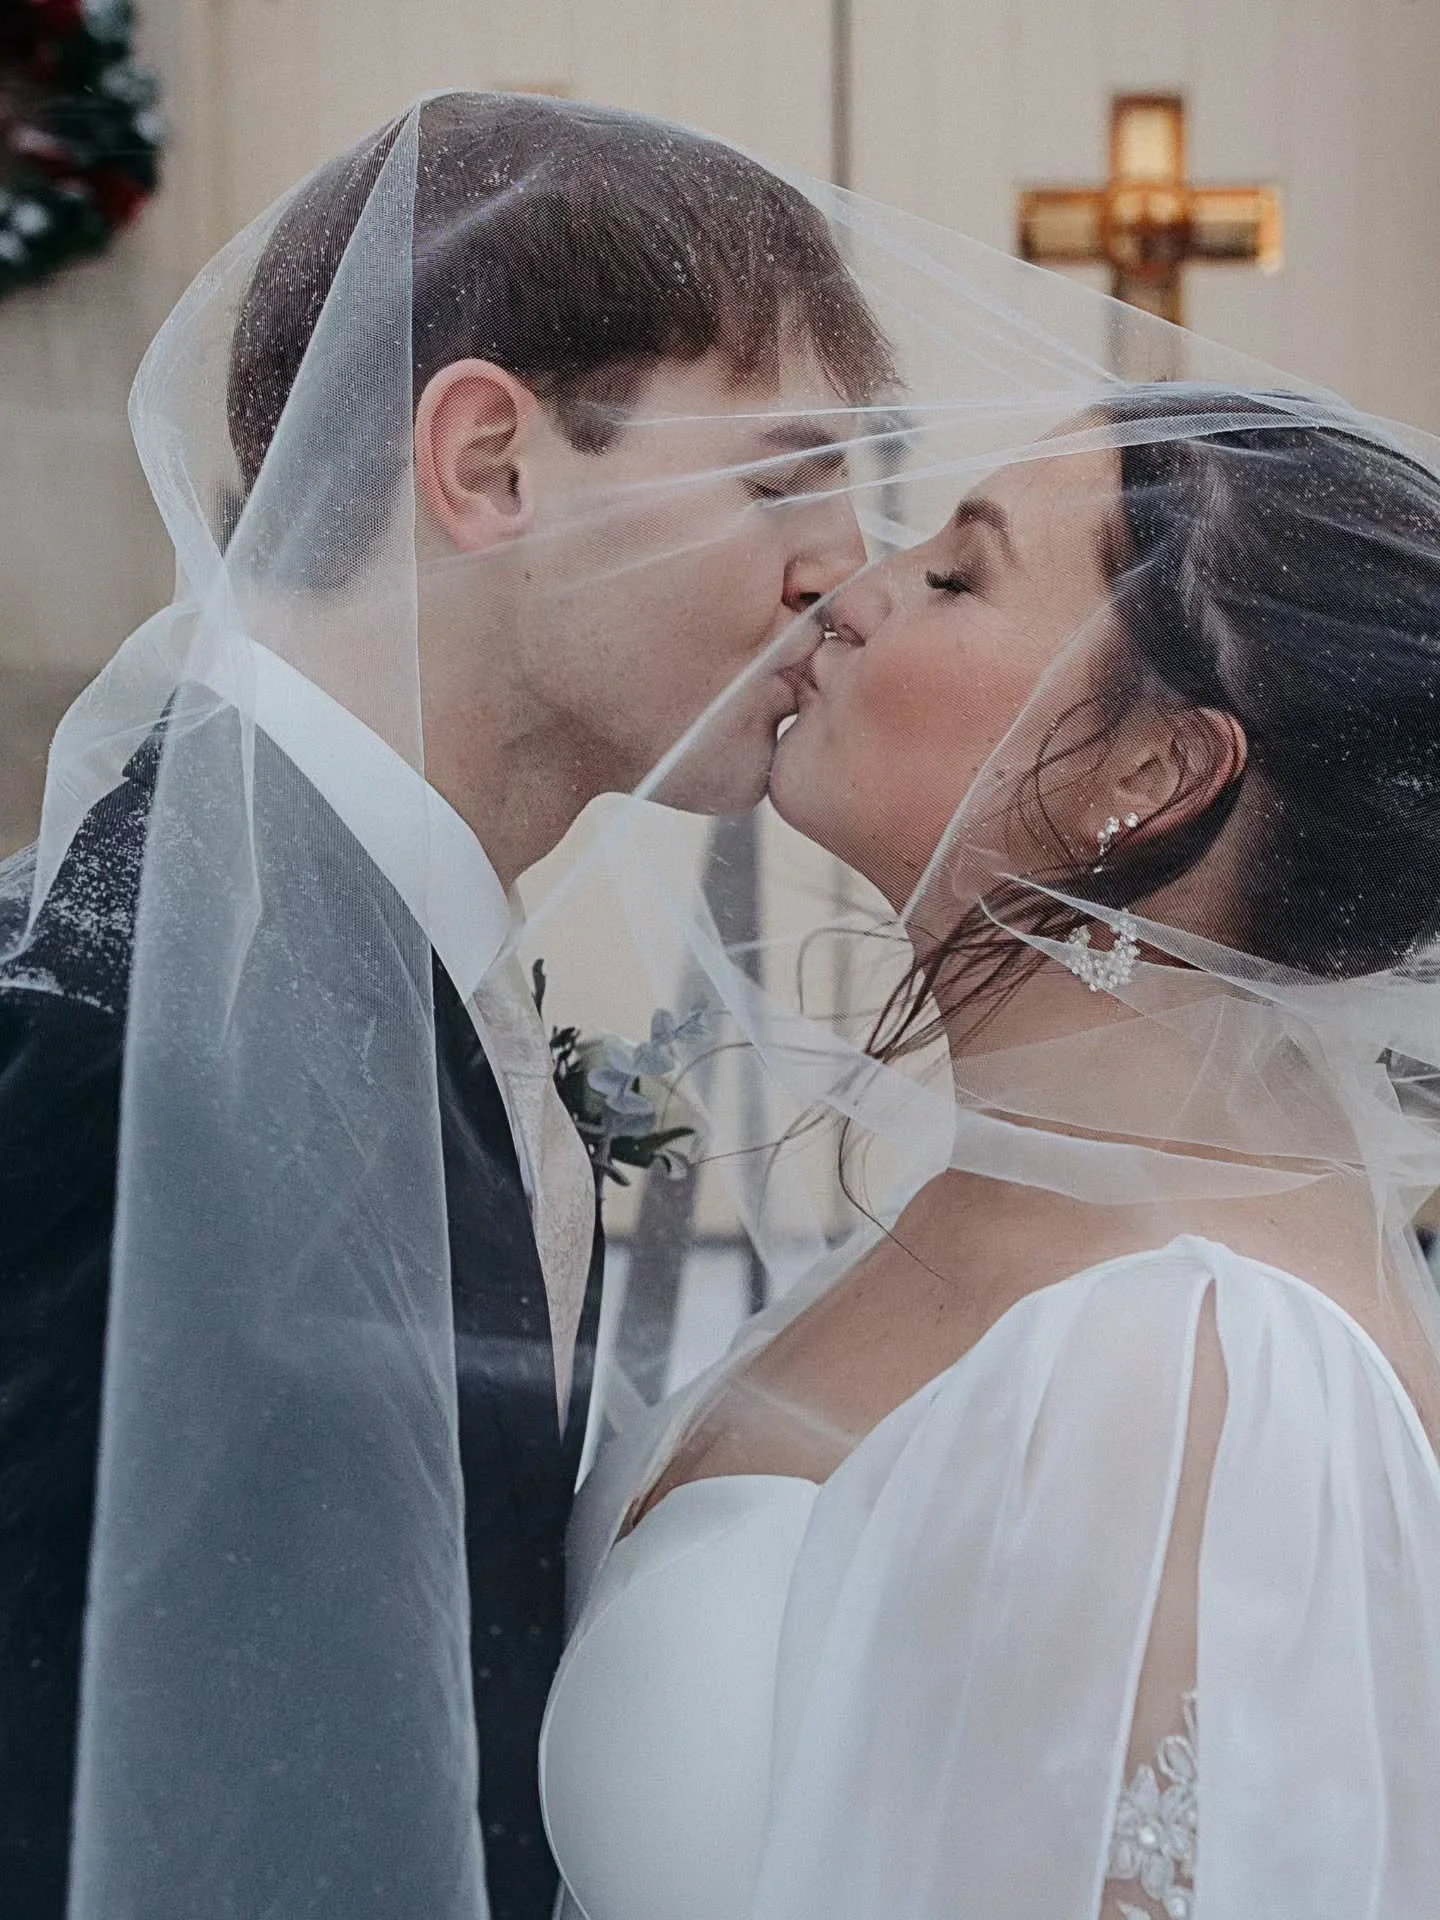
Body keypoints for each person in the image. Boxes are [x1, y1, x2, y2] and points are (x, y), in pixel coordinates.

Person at [0, 94, 890, 1920]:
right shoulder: (105, 1039)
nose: (847, 572)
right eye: (789, 475)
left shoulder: (375, 964)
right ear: (488, 462)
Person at [540, 389, 1440, 1919]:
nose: (849, 591)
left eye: (958, 574)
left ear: (1154, 774)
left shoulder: (1202, 1366)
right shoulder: (992, 1200)